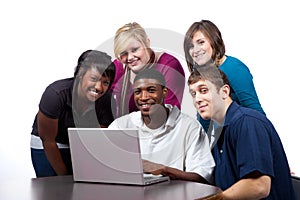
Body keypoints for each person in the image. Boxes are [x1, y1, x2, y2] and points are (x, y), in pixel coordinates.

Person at [188, 65, 296, 199]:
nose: (197, 99)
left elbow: (259, 186)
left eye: (203, 90)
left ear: (224, 92)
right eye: (193, 94)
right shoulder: (220, 131)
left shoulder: (247, 123)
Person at [108, 68, 215, 183]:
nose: (143, 97)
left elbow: (202, 177)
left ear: (164, 92)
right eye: (138, 92)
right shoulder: (120, 126)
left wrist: (164, 170)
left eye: (151, 90)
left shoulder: (189, 127)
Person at [30, 50, 116, 177]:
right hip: (50, 143)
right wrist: (63, 176)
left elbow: (98, 137)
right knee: (55, 188)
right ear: (80, 74)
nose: (98, 87)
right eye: (93, 78)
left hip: (79, 144)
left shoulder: (106, 99)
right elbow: (48, 140)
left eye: (105, 82)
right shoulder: (55, 94)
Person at [184, 19, 265, 134]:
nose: (195, 50)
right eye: (191, 46)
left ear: (214, 41)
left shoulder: (234, 69)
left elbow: (256, 112)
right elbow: (204, 118)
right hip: (223, 137)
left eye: (201, 42)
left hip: (244, 133)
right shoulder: (200, 71)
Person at [111, 22, 185, 118]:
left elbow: (170, 115)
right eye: (124, 53)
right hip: (125, 130)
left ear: (147, 43)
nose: (129, 58)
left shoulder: (168, 66)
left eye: (135, 50)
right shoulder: (118, 67)